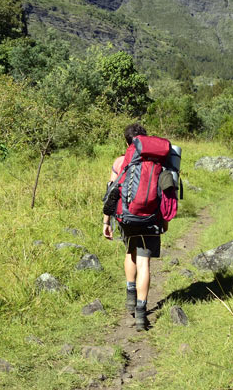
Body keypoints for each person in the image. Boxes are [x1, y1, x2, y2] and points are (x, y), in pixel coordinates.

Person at [102, 123, 165, 331]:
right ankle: (141, 313)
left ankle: (130, 295)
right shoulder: (158, 160)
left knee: (130, 250)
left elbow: (112, 192)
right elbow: (167, 192)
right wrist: (165, 220)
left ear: (127, 142)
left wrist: (106, 222)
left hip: (127, 217)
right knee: (144, 262)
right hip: (151, 218)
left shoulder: (121, 161)